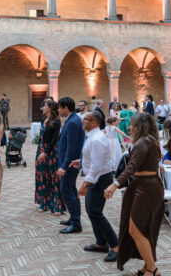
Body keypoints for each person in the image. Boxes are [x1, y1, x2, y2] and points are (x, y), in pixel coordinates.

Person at [104, 113, 165, 275]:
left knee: (135, 230)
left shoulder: (143, 142)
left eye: (131, 125)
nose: (129, 128)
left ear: (140, 127)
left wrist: (115, 184)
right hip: (146, 186)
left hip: (146, 188)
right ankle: (148, 266)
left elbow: (131, 166)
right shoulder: (150, 141)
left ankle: (152, 270)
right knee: (143, 229)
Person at [75, 111, 119, 263]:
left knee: (95, 212)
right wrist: (80, 162)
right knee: (91, 211)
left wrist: (85, 184)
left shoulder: (97, 139)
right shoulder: (93, 137)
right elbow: (93, 158)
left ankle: (116, 245)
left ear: (94, 122)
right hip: (97, 178)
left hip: (100, 179)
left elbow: (97, 166)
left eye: (85, 119)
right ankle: (101, 243)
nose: (82, 121)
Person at [56, 97, 84, 234]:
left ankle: (76, 223)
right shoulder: (72, 119)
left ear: (65, 107)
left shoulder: (73, 122)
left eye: (59, 108)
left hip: (70, 164)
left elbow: (72, 148)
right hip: (70, 163)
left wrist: (64, 166)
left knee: (67, 190)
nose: (58, 110)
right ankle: (74, 217)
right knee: (71, 190)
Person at [35, 100, 65, 215]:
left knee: (53, 177)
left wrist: (45, 152)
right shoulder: (43, 118)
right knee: (42, 176)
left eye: (45, 106)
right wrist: (40, 150)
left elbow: (54, 139)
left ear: (50, 108)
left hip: (51, 151)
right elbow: (42, 136)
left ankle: (57, 204)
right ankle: (44, 202)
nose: (42, 108)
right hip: (41, 149)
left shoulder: (56, 121)